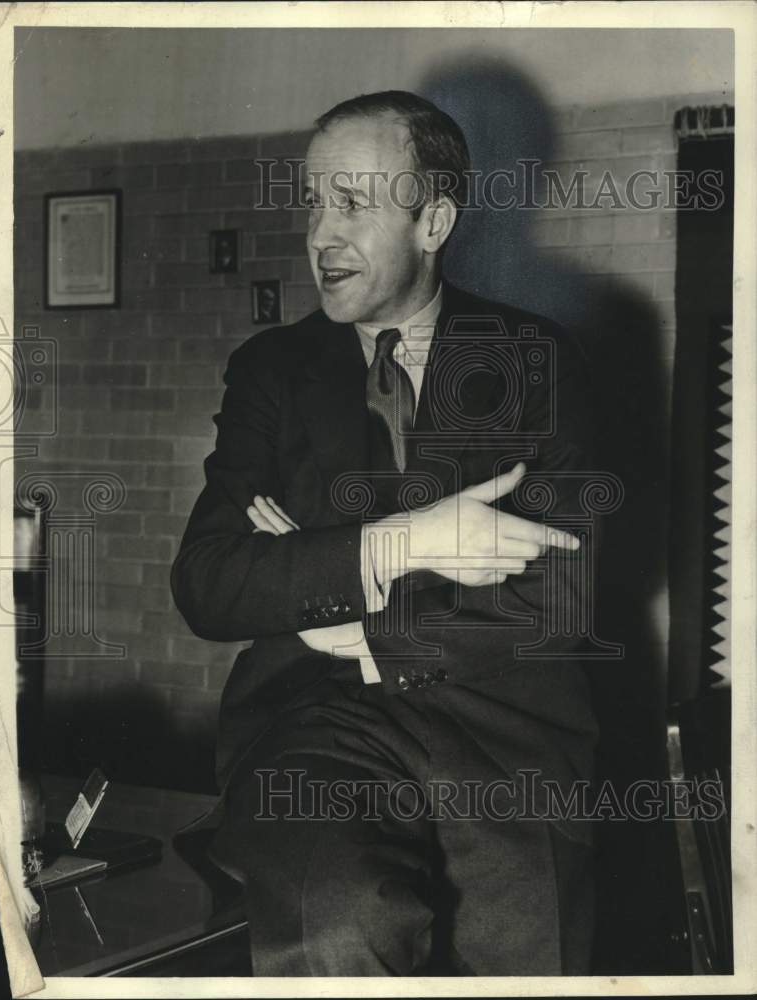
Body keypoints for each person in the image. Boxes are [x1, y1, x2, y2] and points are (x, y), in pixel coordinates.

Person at [171, 90, 600, 976]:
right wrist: (408, 543)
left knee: (526, 955)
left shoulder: (538, 360)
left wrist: (338, 598)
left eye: (354, 204)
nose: (321, 235)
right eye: (314, 202)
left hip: (506, 733)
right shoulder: (271, 371)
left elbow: (563, 590)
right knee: (332, 925)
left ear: (434, 220)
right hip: (317, 721)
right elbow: (211, 581)